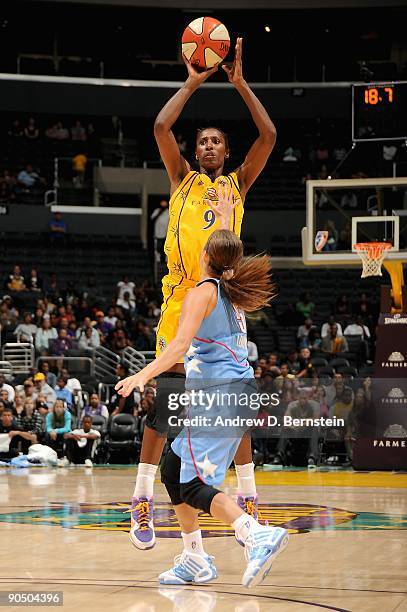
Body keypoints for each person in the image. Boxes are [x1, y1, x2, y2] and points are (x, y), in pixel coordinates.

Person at [129, 37, 277, 551]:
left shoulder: (238, 184)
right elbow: (160, 127)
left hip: (223, 298)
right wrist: (193, 81)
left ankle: (249, 496)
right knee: (169, 401)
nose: (209, 146)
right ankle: (142, 496)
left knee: (231, 403)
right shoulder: (182, 180)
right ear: (195, 151)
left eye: (217, 141)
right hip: (182, 298)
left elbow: (270, 133)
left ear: (227, 151)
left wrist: (239, 83)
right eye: (204, 141)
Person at [116, 229, 288, 587]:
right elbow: (225, 247)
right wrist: (224, 214)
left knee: (193, 485)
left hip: (220, 397)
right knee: (173, 468)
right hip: (233, 394)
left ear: (205, 255)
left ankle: (255, 533)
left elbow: (179, 346)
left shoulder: (202, 293)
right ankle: (195, 557)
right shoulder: (231, 291)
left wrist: (142, 375)